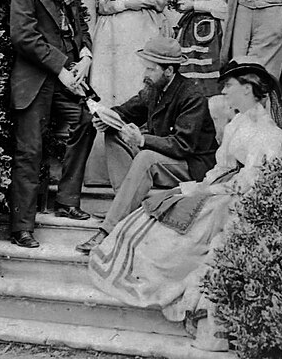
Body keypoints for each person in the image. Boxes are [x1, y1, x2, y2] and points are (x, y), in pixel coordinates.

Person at [88, 58, 282, 351]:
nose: (225, 94)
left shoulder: (270, 134)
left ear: (248, 89)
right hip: (218, 185)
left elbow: (256, 181)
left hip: (238, 198)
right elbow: (223, 166)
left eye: (230, 87)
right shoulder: (238, 123)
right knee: (158, 209)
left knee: (180, 232)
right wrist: (202, 186)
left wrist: (211, 189)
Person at [76, 35, 218, 255]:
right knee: (113, 134)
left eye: (151, 69)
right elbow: (127, 110)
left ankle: (108, 231)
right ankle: (125, 209)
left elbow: (182, 145)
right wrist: (106, 117)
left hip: (192, 164)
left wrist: (142, 140)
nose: (145, 74)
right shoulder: (153, 89)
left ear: (169, 71)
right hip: (168, 159)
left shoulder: (192, 95)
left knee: (146, 157)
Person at [8, 0, 95, 249]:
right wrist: (61, 68)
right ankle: (22, 227)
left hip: (69, 74)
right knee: (30, 149)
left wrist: (86, 54)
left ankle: (67, 200)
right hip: (36, 78)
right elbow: (23, 36)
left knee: (87, 120)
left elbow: (80, 24)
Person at [170, 0, 234, 141]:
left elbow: (226, 7)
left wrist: (195, 6)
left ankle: (220, 148)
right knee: (191, 92)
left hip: (212, 32)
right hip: (189, 31)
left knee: (214, 95)